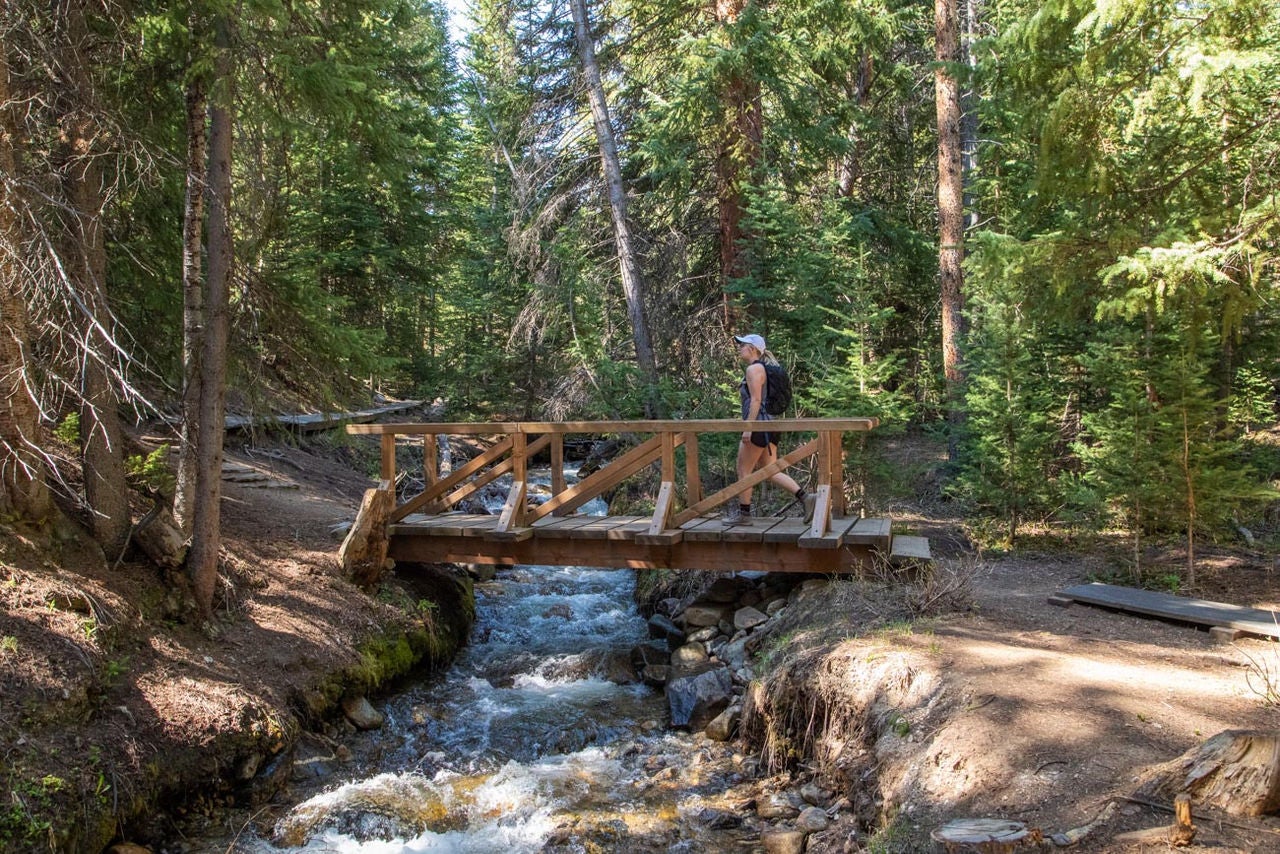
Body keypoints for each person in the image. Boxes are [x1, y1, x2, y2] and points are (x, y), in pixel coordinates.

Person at [724, 333, 817, 526]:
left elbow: (757, 400)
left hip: (758, 426)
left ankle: (744, 515)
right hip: (770, 425)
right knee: (769, 471)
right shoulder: (762, 368)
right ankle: (806, 498)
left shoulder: (754, 369)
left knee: (743, 470)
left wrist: (748, 428)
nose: (739, 348)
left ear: (752, 349)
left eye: (742, 345)